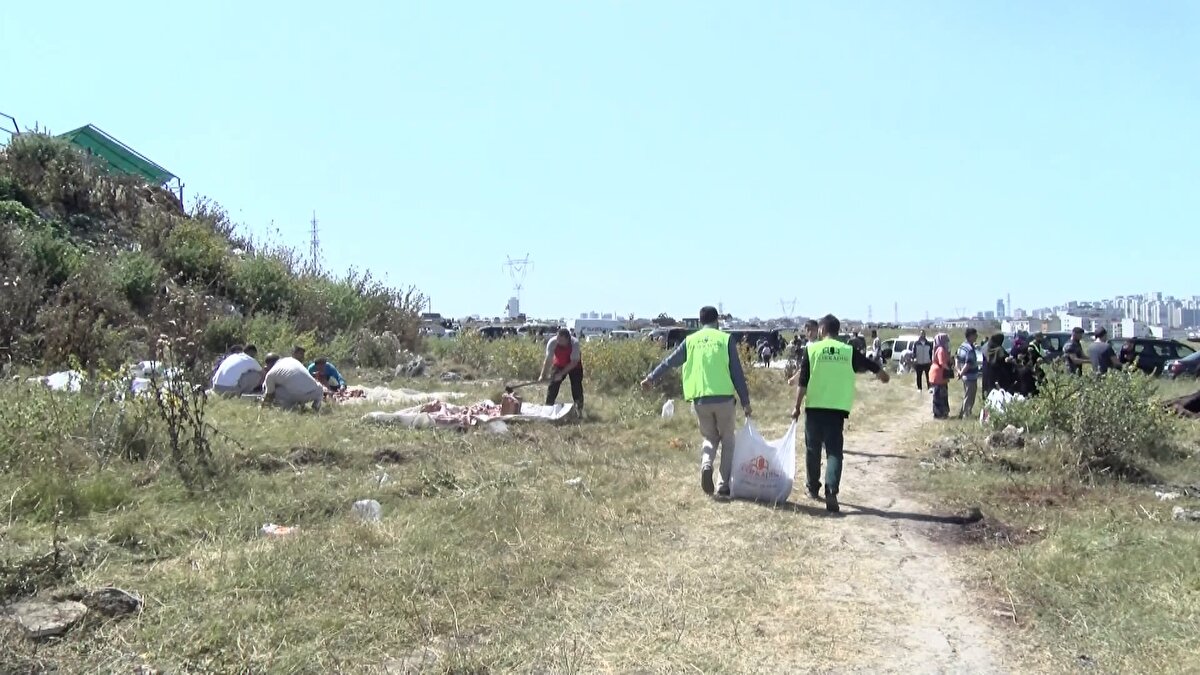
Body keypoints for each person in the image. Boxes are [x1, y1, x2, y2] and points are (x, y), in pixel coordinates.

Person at [641, 306, 751, 499]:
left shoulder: (690, 341)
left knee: (709, 438)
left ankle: (706, 464)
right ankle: (723, 485)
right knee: (728, 440)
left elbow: (669, 361)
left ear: (700, 322)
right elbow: (737, 373)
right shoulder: (725, 340)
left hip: (700, 399)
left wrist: (651, 378)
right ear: (717, 321)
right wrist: (745, 401)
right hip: (724, 398)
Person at [790, 314, 889, 512]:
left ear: (823, 330)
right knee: (834, 452)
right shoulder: (848, 351)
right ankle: (832, 490)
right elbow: (869, 364)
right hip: (837, 411)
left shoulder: (813, 350)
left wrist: (797, 406)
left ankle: (813, 487)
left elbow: (803, 382)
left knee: (813, 449)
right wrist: (881, 374)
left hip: (815, 408)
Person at [540, 328, 585, 414]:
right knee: (553, 386)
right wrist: (542, 375)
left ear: (567, 339)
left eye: (561, 340)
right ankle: (548, 409)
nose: (558, 341)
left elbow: (574, 362)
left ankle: (579, 411)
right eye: (557, 338)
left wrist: (561, 374)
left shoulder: (574, 343)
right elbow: (548, 360)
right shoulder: (552, 342)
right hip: (559, 364)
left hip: (574, 366)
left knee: (576, 387)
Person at [956, 328, 981, 420]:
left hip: (964, 376)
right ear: (970, 336)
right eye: (975, 335)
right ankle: (966, 415)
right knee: (970, 396)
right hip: (970, 376)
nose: (976, 336)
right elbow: (968, 363)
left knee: (967, 395)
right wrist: (961, 373)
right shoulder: (970, 349)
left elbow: (957, 359)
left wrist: (959, 371)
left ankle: (962, 413)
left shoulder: (962, 346)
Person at [930, 334, 954, 419]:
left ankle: (941, 413)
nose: (947, 341)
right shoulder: (941, 350)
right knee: (940, 395)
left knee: (941, 395)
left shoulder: (942, 349)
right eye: (946, 340)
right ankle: (939, 414)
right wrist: (949, 369)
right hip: (938, 375)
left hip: (939, 375)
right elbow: (942, 363)